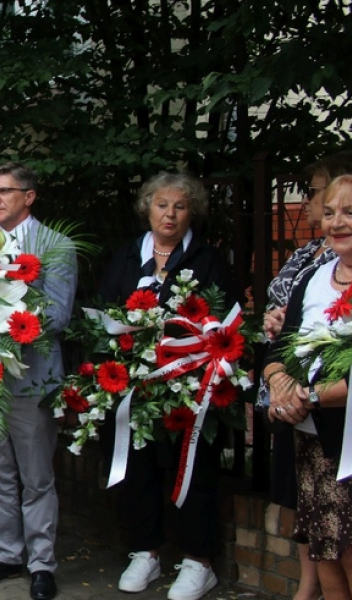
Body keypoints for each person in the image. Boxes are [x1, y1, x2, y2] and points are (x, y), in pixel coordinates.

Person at [96, 173, 232, 600]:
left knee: (191, 467)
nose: (169, 214)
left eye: (180, 206)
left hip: (189, 386)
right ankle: (146, 550)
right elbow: (104, 312)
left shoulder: (207, 259)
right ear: (147, 208)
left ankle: (198, 561)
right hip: (134, 387)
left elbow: (220, 318)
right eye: (161, 205)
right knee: (136, 466)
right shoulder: (125, 257)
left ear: (192, 212)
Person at [0, 162, 75, 600]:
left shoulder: (57, 246)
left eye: (4, 191)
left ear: (29, 196)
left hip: (30, 377)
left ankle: (42, 563)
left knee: (36, 476)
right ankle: (6, 554)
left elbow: (59, 313)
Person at [261, 152, 352, 600]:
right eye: (331, 211)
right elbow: (278, 349)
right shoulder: (314, 276)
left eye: (351, 212)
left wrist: (311, 396)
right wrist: (281, 385)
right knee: (327, 555)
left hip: (348, 444)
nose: (337, 221)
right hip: (314, 444)